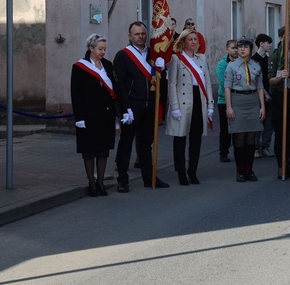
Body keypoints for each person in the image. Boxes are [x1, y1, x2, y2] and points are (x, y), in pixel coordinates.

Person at [113, 22, 169, 192]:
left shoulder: (153, 54)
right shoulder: (123, 56)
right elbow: (119, 84)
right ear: (129, 36)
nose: (141, 37)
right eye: (136, 34)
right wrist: (125, 108)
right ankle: (122, 179)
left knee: (146, 144)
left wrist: (162, 67)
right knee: (126, 142)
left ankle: (149, 177)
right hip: (132, 105)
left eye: (143, 33)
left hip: (150, 104)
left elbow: (160, 80)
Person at [70, 34, 118, 197]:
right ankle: (91, 182)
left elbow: (115, 89)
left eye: (104, 49)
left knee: (103, 149)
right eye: (100, 49)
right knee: (89, 150)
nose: (103, 52)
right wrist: (79, 118)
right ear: (91, 48)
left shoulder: (107, 65)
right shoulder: (79, 67)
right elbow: (76, 94)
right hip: (89, 115)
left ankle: (101, 182)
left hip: (106, 114)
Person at [166, 29, 213, 185]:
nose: (193, 42)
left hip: (199, 99)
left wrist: (210, 104)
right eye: (190, 39)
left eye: (195, 39)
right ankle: (181, 171)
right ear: (183, 42)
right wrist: (174, 106)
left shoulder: (201, 58)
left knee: (196, 137)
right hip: (182, 100)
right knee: (180, 138)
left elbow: (207, 82)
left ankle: (192, 171)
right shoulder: (176, 59)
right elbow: (171, 84)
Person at [225, 37, 266, 182]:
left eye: (245, 47)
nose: (242, 49)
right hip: (237, 101)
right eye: (240, 46)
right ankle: (240, 170)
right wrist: (229, 107)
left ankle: (249, 169)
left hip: (252, 101)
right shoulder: (231, 66)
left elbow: (260, 87)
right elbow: (227, 87)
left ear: (250, 49)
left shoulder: (256, 66)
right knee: (239, 137)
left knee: (250, 138)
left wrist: (262, 106)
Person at [268, 27, 290, 179]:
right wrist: (281, 77)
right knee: (280, 131)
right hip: (279, 96)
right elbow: (271, 80)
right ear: (281, 38)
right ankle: (280, 166)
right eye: (285, 37)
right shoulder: (276, 54)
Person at [251, 33, 274, 158]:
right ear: (261, 44)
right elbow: (254, 80)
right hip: (258, 94)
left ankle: (265, 146)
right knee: (258, 120)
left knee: (269, 122)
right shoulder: (254, 60)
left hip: (270, 94)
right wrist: (264, 93)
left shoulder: (269, 59)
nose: (270, 45)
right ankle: (256, 147)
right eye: (268, 42)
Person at [216, 40, 238, 163]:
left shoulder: (241, 62)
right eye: (233, 48)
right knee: (225, 129)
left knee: (237, 128)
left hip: (238, 100)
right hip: (224, 100)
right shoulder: (222, 64)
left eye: (237, 48)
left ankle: (238, 151)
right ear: (227, 49)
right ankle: (223, 152)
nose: (236, 50)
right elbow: (224, 82)